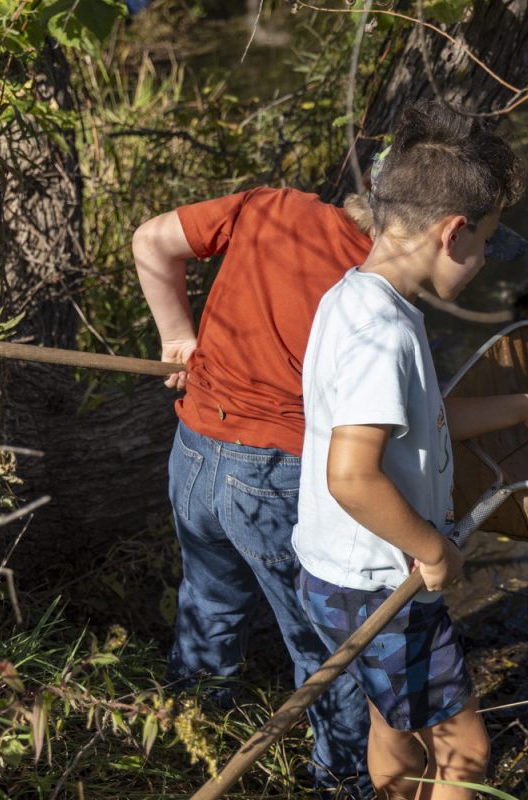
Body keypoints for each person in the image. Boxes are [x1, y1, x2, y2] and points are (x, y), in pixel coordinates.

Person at [293, 102, 528, 799]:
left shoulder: (352, 298)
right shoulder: (387, 335)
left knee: (394, 721)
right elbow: (350, 475)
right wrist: (431, 549)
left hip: (337, 572)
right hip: (381, 580)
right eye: (487, 241)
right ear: (452, 232)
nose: (487, 258)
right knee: (465, 750)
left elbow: (415, 420)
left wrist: (523, 407)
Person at [133, 178, 378, 792]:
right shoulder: (373, 284)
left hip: (194, 450)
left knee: (210, 598)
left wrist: (176, 338)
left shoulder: (270, 207)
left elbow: (150, 240)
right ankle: (341, 777)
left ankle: (187, 728)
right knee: (321, 639)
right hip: (276, 475)